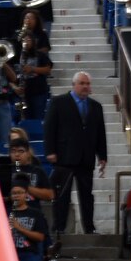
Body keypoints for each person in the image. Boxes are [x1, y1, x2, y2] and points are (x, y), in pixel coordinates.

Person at [43, 70, 108, 237]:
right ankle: (59, 228)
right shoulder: (58, 102)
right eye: (82, 83)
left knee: (87, 196)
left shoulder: (96, 106)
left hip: (86, 158)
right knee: (62, 196)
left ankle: (89, 227)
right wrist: (50, 150)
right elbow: (50, 128)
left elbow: (100, 132)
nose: (85, 87)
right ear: (74, 85)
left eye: (87, 84)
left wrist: (103, 156)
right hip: (64, 157)